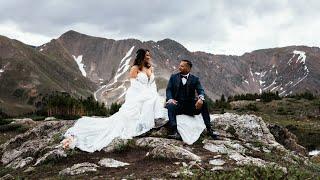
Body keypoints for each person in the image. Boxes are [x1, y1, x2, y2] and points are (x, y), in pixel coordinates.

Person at [61, 48, 164, 152]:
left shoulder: (150, 68)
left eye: (149, 55)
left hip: (148, 93)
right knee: (133, 114)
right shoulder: (135, 68)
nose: (149, 57)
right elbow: (134, 84)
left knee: (156, 99)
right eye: (147, 55)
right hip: (137, 94)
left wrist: (151, 93)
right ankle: (144, 124)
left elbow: (152, 83)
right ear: (142, 56)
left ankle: (156, 120)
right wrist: (145, 94)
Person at [165, 59, 219, 140]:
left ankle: (209, 129)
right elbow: (169, 89)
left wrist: (201, 98)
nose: (179, 67)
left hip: (190, 107)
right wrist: (170, 99)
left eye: (182, 66)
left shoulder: (195, 79)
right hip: (178, 105)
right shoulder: (173, 77)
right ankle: (174, 131)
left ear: (188, 68)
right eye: (179, 65)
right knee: (170, 105)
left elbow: (200, 90)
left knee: (204, 103)